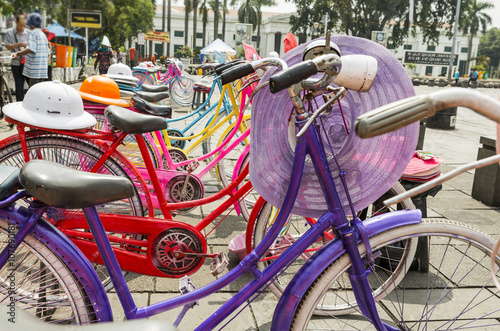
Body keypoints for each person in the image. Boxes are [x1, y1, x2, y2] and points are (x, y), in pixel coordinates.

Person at [12, 13, 49, 88]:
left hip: (35, 72)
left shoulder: (33, 33)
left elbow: (30, 49)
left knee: (34, 94)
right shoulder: (42, 34)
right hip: (43, 71)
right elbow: (47, 53)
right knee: (40, 94)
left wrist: (17, 53)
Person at [5, 14, 30, 101]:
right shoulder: (9, 32)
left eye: (24, 25)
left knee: (32, 86)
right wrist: (19, 44)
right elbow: (8, 47)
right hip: (16, 64)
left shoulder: (29, 33)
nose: (22, 27)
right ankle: (19, 106)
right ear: (16, 22)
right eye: (20, 25)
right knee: (19, 87)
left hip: (27, 63)